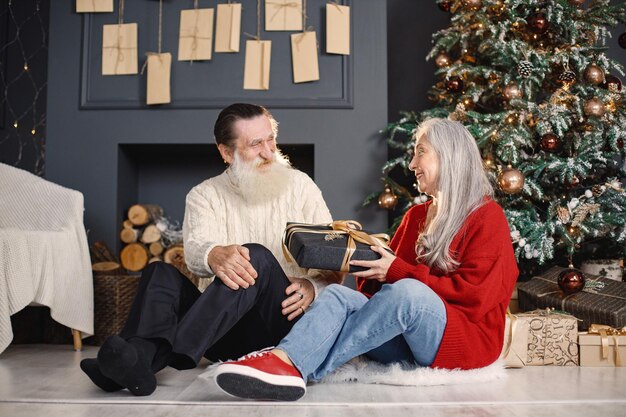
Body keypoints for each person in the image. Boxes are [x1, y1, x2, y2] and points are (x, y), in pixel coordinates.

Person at [214, 117, 519, 401]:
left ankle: (307, 369)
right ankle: (285, 360)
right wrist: (366, 265)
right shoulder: (416, 217)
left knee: (408, 293)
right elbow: (377, 297)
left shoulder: (486, 216)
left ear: (449, 156)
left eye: (420, 153)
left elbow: (476, 296)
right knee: (338, 296)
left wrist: (397, 271)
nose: (412, 164)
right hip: (408, 341)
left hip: (465, 343)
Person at [80, 103, 342, 396]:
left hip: (281, 327)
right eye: (255, 144)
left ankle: (163, 354)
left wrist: (312, 287)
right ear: (226, 153)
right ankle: (137, 362)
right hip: (222, 334)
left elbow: (334, 261)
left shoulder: (301, 186)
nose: (269, 152)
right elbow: (194, 252)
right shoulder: (204, 195)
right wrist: (213, 254)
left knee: (254, 255)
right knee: (159, 272)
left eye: (271, 139)